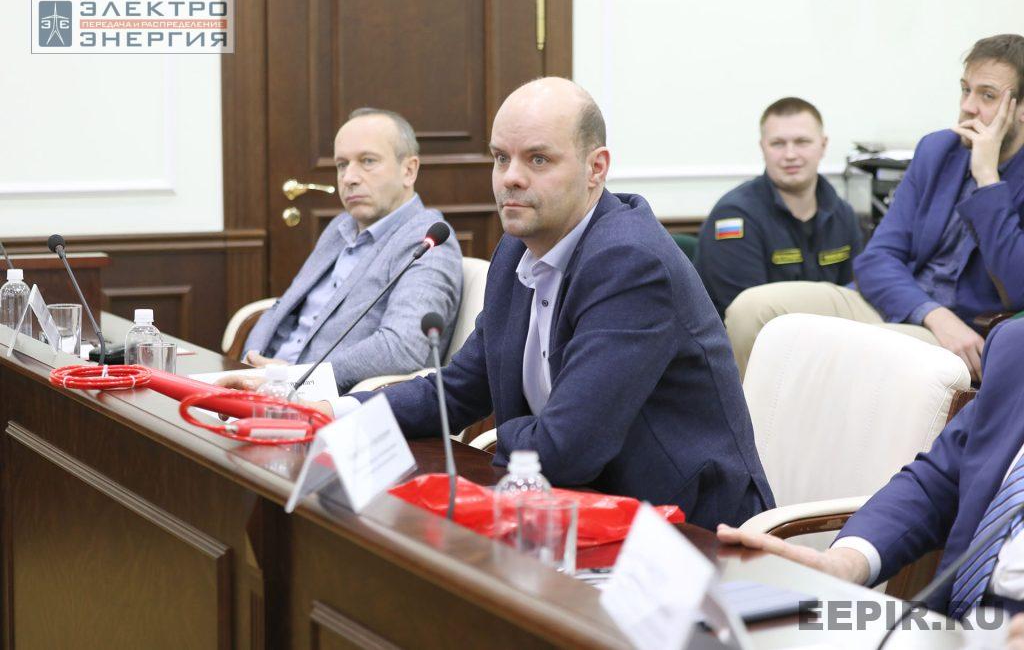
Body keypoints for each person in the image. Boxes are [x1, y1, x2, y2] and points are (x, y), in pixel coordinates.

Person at [319, 78, 774, 530]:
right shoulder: (517, 249)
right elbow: (460, 388)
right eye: (501, 158)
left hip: (690, 531)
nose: (510, 178)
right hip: (582, 509)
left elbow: (566, 449)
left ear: (596, 168)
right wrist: (339, 412)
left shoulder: (630, 262)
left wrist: (499, 436)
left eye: (538, 159)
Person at [724, 34, 1024, 381]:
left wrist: (987, 179)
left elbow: (1017, 288)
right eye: (965, 90)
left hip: (965, 331)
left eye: (987, 95)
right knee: (752, 311)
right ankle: (752, 420)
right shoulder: (939, 150)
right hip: (899, 305)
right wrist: (931, 312)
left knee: (846, 350)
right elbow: (876, 258)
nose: (968, 106)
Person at [718, 316, 1024, 620]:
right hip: (954, 625)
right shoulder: (1015, 345)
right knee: (730, 625)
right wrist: (845, 563)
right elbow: (937, 483)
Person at [242, 108, 462, 393]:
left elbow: (402, 348)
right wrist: (250, 359)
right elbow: (284, 305)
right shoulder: (341, 226)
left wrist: (297, 377)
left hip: (326, 401)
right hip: (265, 382)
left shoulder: (428, 240)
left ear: (409, 170)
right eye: (342, 164)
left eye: (367, 161)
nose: (348, 178)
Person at [695, 97, 862, 316]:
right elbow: (747, 316)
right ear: (762, 148)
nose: (790, 155)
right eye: (778, 144)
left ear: (823, 145)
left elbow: (854, 301)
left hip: (829, 334)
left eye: (802, 142)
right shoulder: (734, 217)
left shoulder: (843, 215)